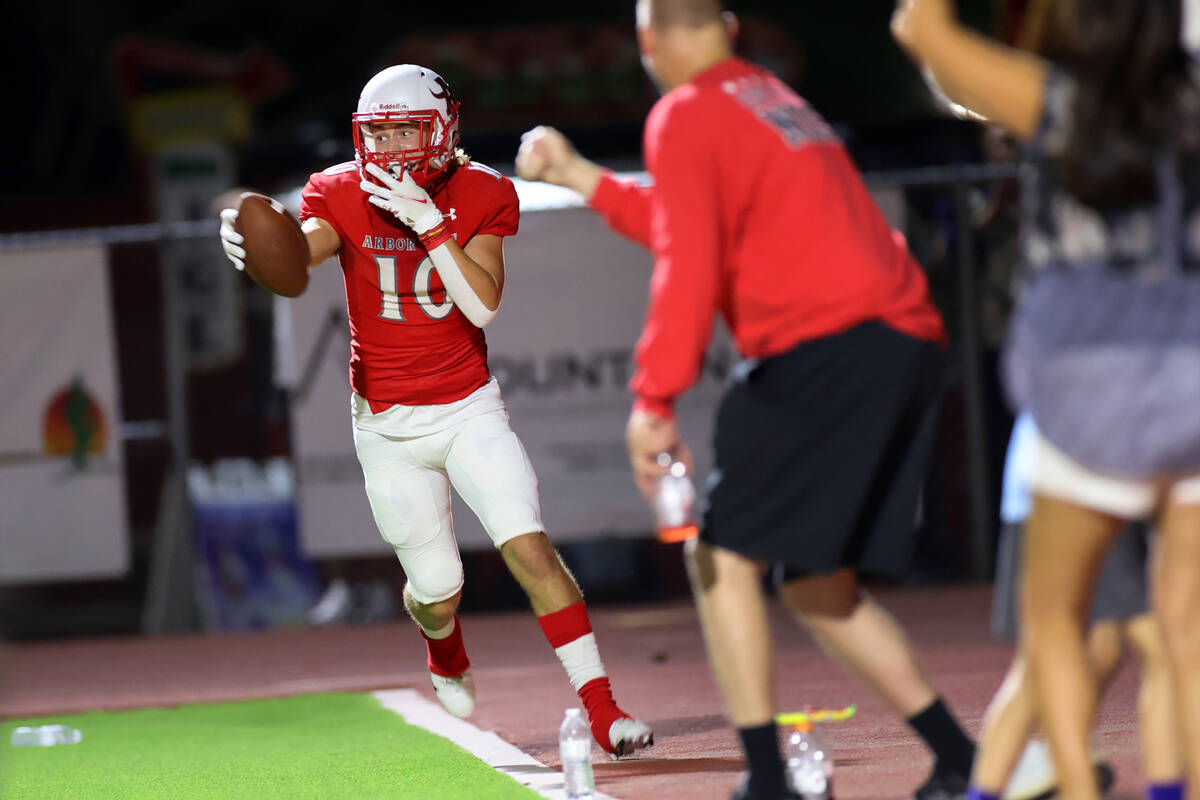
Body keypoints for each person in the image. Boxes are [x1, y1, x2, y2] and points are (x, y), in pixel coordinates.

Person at [516, 2, 975, 798]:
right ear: (728, 28)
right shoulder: (768, 98)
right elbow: (683, 223)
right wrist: (581, 176)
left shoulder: (685, 114)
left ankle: (764, 780)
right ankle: (959, 757)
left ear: (646, 42)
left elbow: (687, 265)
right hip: (903, 339)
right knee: (818, 584)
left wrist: (654, 397)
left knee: (722, 555)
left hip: (821, 345)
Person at [217, 64, 653, 757]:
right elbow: (299, 263)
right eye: (377, 132)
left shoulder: (481, 191)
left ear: (443, 130)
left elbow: (481, 303)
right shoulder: (338, 189)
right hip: (387, 426)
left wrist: (430, 225)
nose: (388, 149)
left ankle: (603, 708)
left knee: (531, 548)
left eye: (404, 130)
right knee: (438, 588)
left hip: (467, 407)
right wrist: (256, 247)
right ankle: (442, 641)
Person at [893, 1, 1200, 799]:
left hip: (1085, 389)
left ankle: (1075, 784)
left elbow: (923, 31)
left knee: (1057, 623)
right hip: (1192, 372)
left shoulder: (1053, 99)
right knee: (1187, 636)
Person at [977, 413, 1181, 800]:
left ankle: (1035, 761)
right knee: (1164, 650)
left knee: (1102, 647)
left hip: (1113, 482)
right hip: (1073, 481)